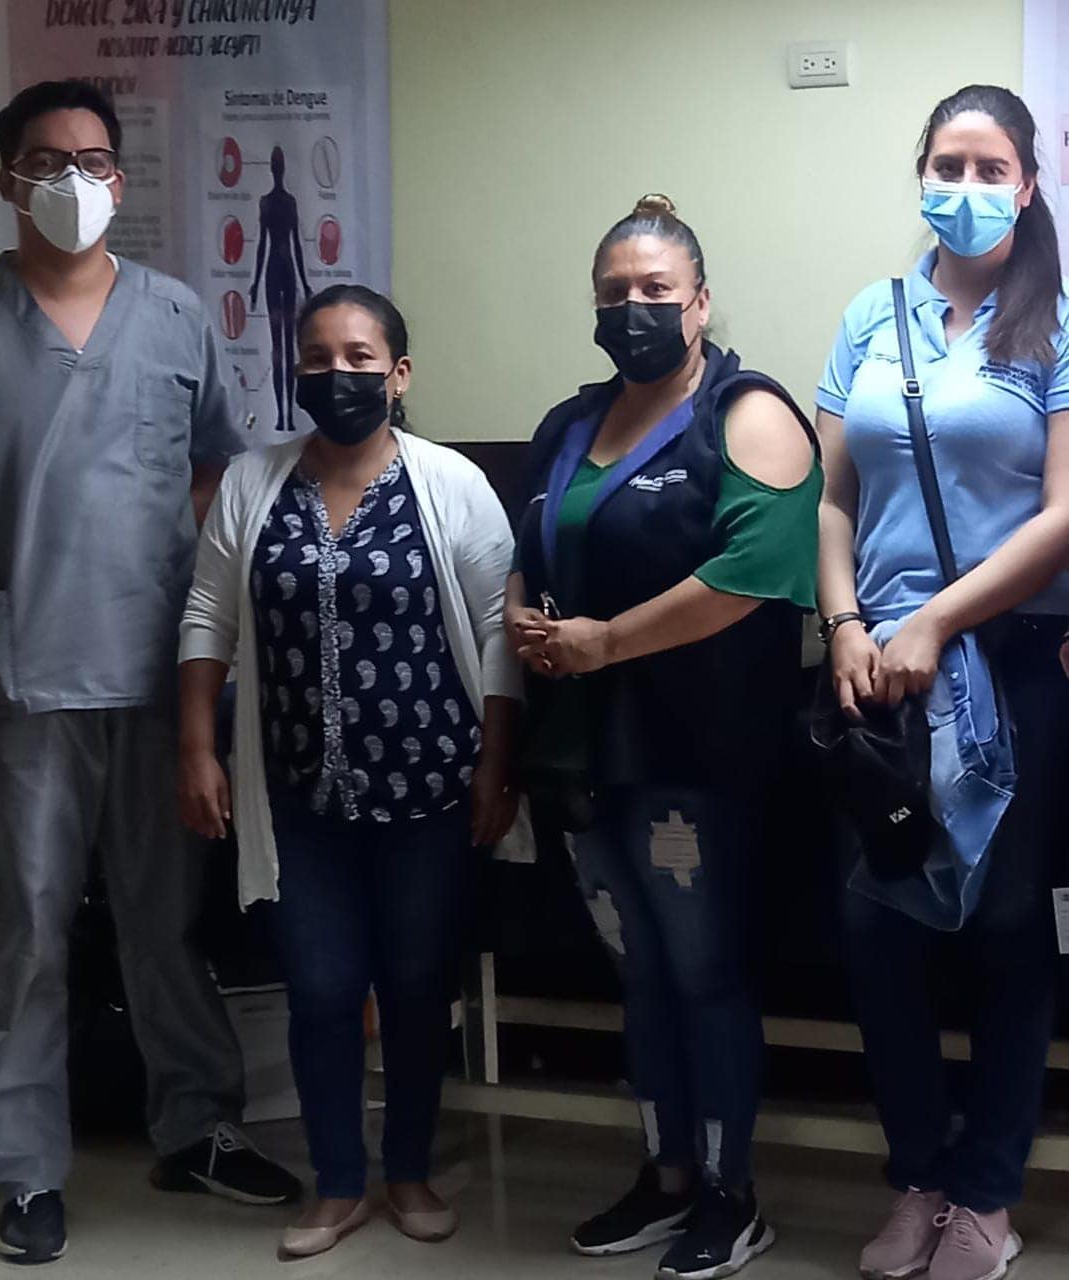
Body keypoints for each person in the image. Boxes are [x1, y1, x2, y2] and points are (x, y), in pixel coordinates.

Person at [0, 80, 301, 1266]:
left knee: (166, 920)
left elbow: (211, 473)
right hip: (20, 672)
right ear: (9, 179)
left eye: (94, 159)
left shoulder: (174, 314)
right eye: (49, 161)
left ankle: (196, 1125)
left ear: (121, 175)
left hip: (156, 672)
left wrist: (198, 627)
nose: (75, 180)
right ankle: (25, 1167)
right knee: (23, 928)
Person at [507, 195, 821, 1280]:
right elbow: (530, 543)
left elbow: (756, 571)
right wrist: (523, 613)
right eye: (614, 292)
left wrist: (604, 641)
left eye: (655, 290)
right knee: (635, 972)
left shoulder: (745, 410)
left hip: (698, 752)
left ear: (698, 301)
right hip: (583, 753)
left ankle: (732, 1196)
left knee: (702, 971)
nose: (632, 308)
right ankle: (665, 1174)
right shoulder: (571, 420)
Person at [178, 283, 522, 1258]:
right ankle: (337, 1183)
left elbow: (499, 629)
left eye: (360, 357)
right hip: (298, 798)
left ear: (398, 373)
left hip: (430, 792)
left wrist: (497, 765)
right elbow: (207, 615)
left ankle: (406, 1169)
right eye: (318, 358)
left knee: (413, 984)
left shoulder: (451, 483)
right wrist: (195, 744)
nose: (338, 374)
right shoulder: (253, 482)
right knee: (322, 989)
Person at [816, 85, 1069, 1280]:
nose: (962, 187)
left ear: (1025, 185)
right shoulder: (871, 313)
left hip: (1006, 662)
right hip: (874, 671)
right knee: (876, 928)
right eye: (945, 164)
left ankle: (984, 1195)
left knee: (1006, 929)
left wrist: (935, 618)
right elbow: (830, 497)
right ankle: (916, 1176)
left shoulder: (1054, 320)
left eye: (988, 168)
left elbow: (1062, 515)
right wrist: (842, 622)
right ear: (918, 172)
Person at [249, 144, 311, 432]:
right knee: (279, 347)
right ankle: (282, 416)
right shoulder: (271, 202)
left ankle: (287, 416)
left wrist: (305, 283)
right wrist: (254, 282)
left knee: (286, 346)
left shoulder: (285, 202)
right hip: (278, 272)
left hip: (280, 272)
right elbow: (263, 244)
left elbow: (295, 244)